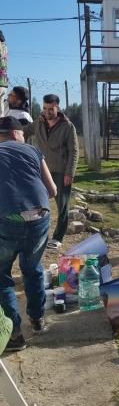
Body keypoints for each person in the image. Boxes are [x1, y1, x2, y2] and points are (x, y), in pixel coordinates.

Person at [0, 116, 57, 352]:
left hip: (7, 222)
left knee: (2, 276)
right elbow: (52, 190)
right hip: (39, 218)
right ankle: (37, 320)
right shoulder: (32, 151)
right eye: (22, 133)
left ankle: (14, 335)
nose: (24, 136)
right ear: (15, 133)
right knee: (32, 268)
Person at [25, 94, 79, 251]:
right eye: (44, 108)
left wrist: (70, 173)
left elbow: (74, 151)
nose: (47, 112)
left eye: (50, 109)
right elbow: (24, 130)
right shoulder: (39, 123)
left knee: (62, 206)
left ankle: (57, 238)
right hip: (41, 171)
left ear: (57, 108)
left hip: (61, 172)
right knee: (38, 203)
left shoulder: (67, 126)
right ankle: (38, 234)